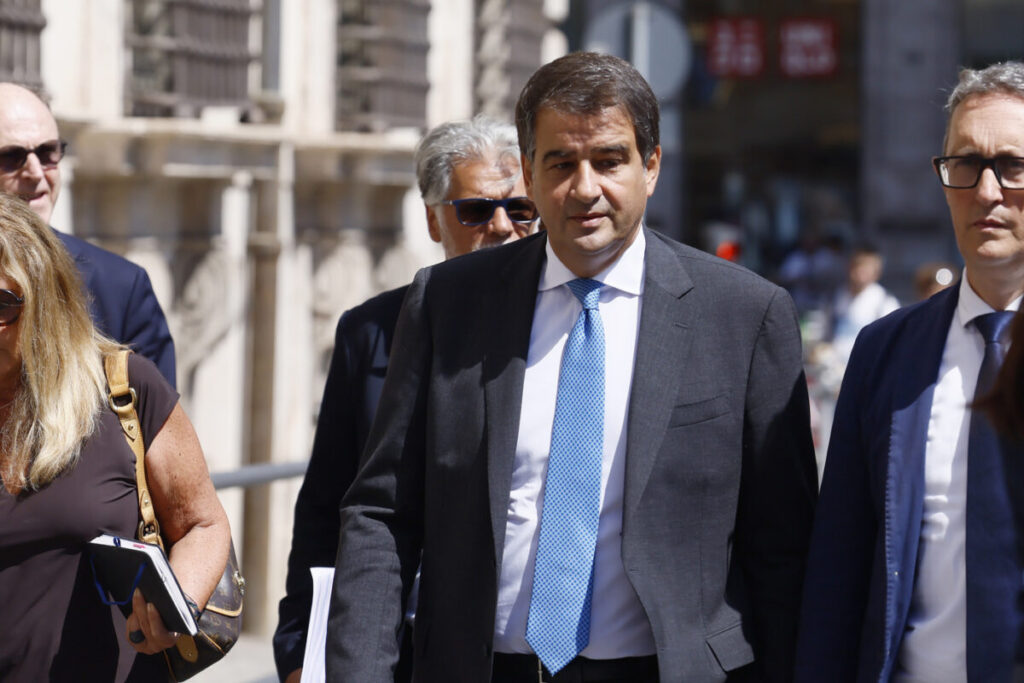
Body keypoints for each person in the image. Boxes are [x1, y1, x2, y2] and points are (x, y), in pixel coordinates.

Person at [327, 52, 817, 682]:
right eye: (561, 163)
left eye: (609, 161)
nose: (585, 189)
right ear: (529, 175)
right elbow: (382, 514)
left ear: (651, 166)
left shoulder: (744, 315)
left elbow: (784, 547)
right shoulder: (448, 304)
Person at [273, 115, 538, 683]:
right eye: (476, 211)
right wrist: (301, 649)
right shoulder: (371, 331)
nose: (501, 227)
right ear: (434, 220)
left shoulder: (560, 329)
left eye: (521, 209)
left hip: (514, 649)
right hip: (392, 646)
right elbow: (330, 503)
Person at [795, 61, 1024, 682]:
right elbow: (840, 567)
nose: (987, 191)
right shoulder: (885, 353)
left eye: (1013, 165)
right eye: (965, 164)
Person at [0, 193, 230, 681]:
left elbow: (202, 524)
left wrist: (176, 607)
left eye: (2, 305)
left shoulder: (123, 387)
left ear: (47, 302)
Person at [0, 83, 176, 386]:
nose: (36, 172)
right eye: (12, 157)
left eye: (47, 152)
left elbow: (154, 412)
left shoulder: (121, 289)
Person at [828, 244, 900, 363]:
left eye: (865, 268)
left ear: (876, 272)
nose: (859, 272)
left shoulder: (885, 302)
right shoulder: (837, 295)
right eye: (856, 266)